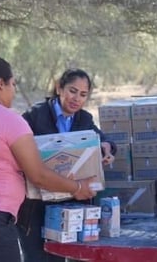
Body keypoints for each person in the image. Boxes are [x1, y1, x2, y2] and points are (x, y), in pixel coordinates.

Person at [0, 54, 98, 262]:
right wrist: (77, 187)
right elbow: (38, 175)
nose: (14, 90)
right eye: (12, 84)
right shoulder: (9, 120)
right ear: (0, 84)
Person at [17, 68, 117, 262]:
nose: (76, 99)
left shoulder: (84, 119)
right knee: (38, 257)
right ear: (59, 88)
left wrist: (108, 148)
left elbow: (101, 140)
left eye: (83, 95)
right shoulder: (34, 116)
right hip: (36, 206)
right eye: (72, 91)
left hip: (71, 203)